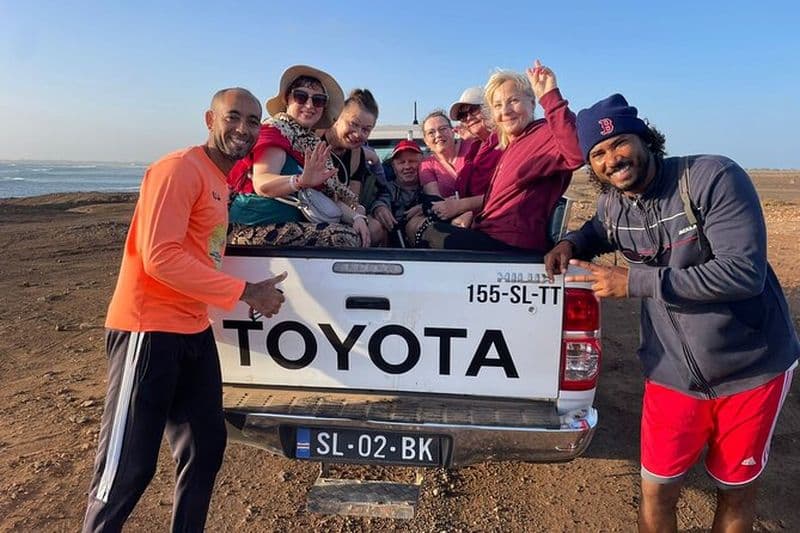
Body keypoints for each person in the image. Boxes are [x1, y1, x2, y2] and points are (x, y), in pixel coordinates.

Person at [545, 93, 799, 533]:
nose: (612, 159)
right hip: (671, 375)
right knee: (657, 489)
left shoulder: (711, 177)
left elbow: (743, 273)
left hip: (752, 370)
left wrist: (634, 282)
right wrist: (571, 243)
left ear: (645, 138)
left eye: (620, 143)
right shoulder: (613, 205)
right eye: (598, 154)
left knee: (734, 490)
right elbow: (598, 230)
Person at [82, 88, 288, 532]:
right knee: (128, 467)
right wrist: (246, 292)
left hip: (193, 329)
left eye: (253, 121)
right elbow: (160, 257)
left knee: (205, 448)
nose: (244, 128)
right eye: (233, 117)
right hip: (148, 329)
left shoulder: (218, 180)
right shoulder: (178, 168)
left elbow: (201, 252)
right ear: (210, 119)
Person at [410, 60, 583, 252]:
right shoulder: (509, 143)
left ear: (532, 102)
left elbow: (576, 151)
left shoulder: (542, 133)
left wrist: (550, 97)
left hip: (509, 247)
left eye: (513, 101)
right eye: (498, 105)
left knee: (422, 231)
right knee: (424, 228)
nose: (505, 111)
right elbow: (498, 200)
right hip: (488, 232)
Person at [227, 65, 370, 247]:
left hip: (288, 224)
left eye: (318, 100)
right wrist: (300, 181)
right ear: (287, 99)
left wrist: (357, 217)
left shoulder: (312, 144)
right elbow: (262, 184)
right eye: (301, 97)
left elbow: (327, 197)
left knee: (359, 231)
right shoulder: (276, 131)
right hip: (252, 226)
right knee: (344, 238)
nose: (309, 105)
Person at [415, 110, 482, 227]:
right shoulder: (426, 165)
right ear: (426, 141)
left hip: (486, 210)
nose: (438, 135)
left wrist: (466, 209)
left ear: (452, 131)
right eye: (431, 132)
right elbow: (437, 202)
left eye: (443, 129)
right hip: (455, 220)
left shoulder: (472, 145)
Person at [448, 86, 503, 214]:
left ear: (490, 108)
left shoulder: (504, 143)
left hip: (490, 218)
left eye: (473, 110)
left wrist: (463, 209)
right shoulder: (475, 148)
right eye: (462, 116)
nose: (468, 118)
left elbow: (504, 194)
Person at [368, 139, 424, 246]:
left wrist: (425, 207)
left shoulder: (430, 186)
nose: (407, 166)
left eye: (412, 161)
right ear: (394, 167)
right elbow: (381, 199)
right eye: (401, 162)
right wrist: (379, 208)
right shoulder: (387, 188)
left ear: (422, 163)